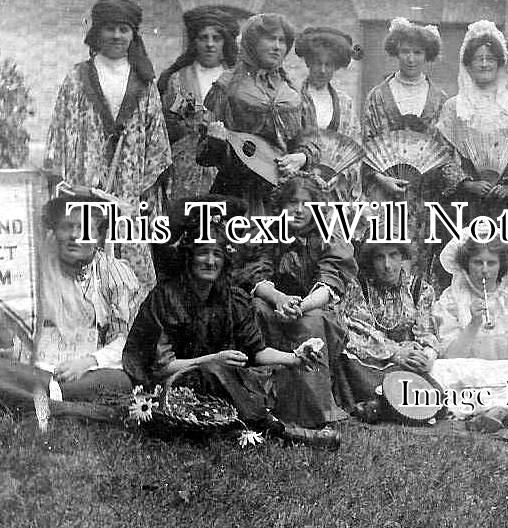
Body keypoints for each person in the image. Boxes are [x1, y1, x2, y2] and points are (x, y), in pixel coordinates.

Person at [122, 204, 322, 431]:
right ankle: (279, 430)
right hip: (167, 386)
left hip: (215, 382)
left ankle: (273, 421)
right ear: (189, 257)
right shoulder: (166, 298)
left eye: (217, 254)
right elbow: (161, 367)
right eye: (202, 252)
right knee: (216, 372)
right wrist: (210, 361)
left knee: (267, 373)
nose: (210, 261)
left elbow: (255, 351)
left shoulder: (231, 298)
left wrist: (294, 358)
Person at [45, 0, 172, 293]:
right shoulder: (77, 78)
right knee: (79, 279)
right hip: (84, 194)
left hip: (126, 199)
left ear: (133, 35)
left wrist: (139, 198)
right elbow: (59, 137)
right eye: (109, 28)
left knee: (130, 280)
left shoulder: (145, 83)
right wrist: (70, 185)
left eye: (124, 29)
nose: (117, 36)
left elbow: (156, 145)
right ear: (96, 32)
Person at [237, 174, 357, 427]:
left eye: (307, 203)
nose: (299, 210)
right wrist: (280, 299)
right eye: (292, 202)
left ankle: (314, 412)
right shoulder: (268, 230)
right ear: (281, 205)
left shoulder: (330, 234)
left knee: (310, 322)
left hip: (316, 308)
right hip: (274, 304)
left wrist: (299, 306)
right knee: (256, 309)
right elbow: (257, 273)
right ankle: (258, 404)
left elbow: (330, 283)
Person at [0, 195, 138, 411]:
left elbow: (124, 343)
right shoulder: (33, 269)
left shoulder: (115, 273)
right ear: (54, 231)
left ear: (98, 235)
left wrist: (87, 363)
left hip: (85, 373)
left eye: (83, 228)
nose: (74, 236)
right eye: (66, 227)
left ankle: (41, 400)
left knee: (121, 381)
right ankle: (63, 403)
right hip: (32, 368)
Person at [430, 232, 508, 428]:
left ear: (502, 265)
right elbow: (451, 356)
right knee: (437, 370)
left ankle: (494, 410)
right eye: (477, 262)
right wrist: (473, 323)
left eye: (491, 263)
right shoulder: (452, 299)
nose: (484, 270)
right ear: (466, 264)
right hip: (470, 372)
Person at [196, 13, 319, 215]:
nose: (277, 46)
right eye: (271, 38)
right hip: (236, 191)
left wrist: (301, 157)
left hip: (283, 194)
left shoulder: (294, 91)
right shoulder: (227, 86)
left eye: (282, 41)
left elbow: (311, 140)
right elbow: (204, 155)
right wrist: (215, 142)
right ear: (252, 42)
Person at [362, 18, 450, 277]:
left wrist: (424, 176)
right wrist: (381, 178)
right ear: (396, 52)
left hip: (425, 194)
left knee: (420, 259)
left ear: (427, 55)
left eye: (418, 52)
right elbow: (367, 146)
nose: (411, 58)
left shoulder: (440, 99)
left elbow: (442, 150)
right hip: (383, 191)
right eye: (405, 51)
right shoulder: (377, 96)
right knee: (384, 257)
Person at [436, 20, 508, 238]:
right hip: (465, 202)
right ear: (468, 64)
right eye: (478, 59)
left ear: (499, 63)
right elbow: (443, 156)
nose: (484, 64)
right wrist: (468, 184)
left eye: (490, 59)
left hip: (505, 202)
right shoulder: (453, 107)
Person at [334, 241, 439, 412]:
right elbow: (357, 332)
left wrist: (426, 358)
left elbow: (427, 333)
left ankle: (386, 404)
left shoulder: (419, 289)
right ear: (371, 260)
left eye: (393, 255)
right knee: (348, 362)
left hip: (408, 363)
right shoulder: (358, 287)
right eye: (379, 257)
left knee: (431, 378)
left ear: (403, 256)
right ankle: (385, 403)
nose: (387, 265)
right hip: (370, 362)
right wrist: (394, 353)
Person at [157, 6, 240, 200]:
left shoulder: (238, 80)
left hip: (225, 169)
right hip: (184, 172)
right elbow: (165, 129)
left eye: (216, 38)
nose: (210, 44)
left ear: (225, 43)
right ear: (194, 42)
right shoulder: (177, 79)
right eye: (203, 38)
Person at [295, 26, 363, 201]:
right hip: (298, 184)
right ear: (309, 63)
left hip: (333, 188)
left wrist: (339, 175)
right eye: (318, 63)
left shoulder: (345, 103)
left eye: (329, 65)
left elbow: (354, 148)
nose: (323, 70)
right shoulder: (292, 98)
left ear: (336, 66)